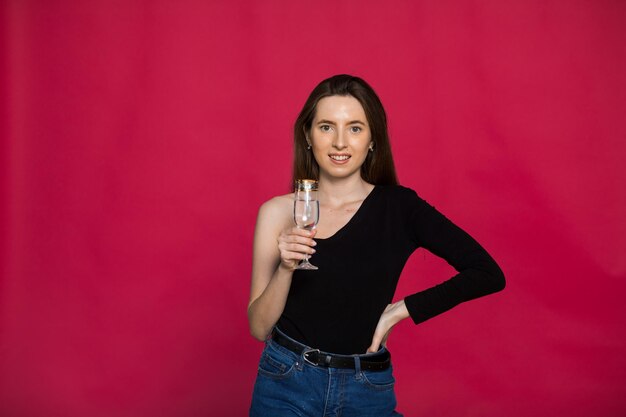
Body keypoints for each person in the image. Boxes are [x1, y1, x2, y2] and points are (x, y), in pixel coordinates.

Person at [247, 74, 505, 417]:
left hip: (365, 388)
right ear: (308, 136)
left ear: (372, 140)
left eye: (355, 128)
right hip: (286, 382)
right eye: (326, 127)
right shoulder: (278, 212)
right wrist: (285, 267)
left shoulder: (400, 208)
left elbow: (488, 273)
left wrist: (399, 310)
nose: (340, 142)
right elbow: (259, 327)